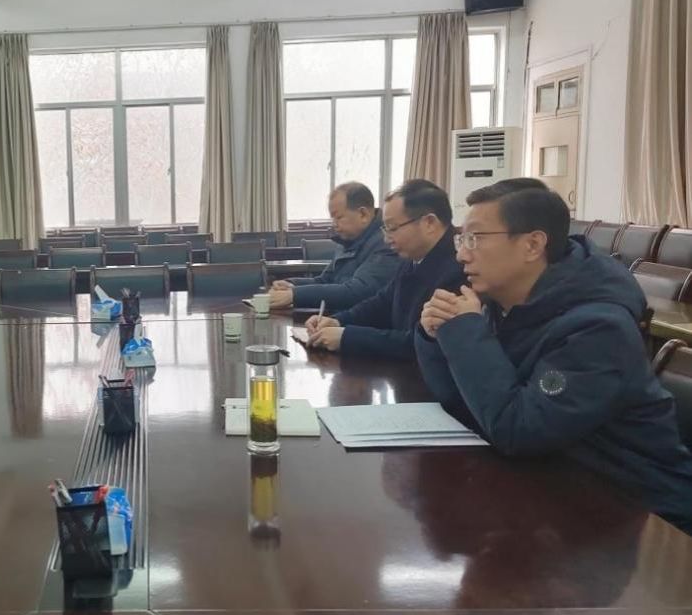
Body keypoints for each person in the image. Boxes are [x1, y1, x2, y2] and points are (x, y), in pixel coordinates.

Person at [416, 180, 692, 531]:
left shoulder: (598, 330)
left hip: (643, 518)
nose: (461, 255)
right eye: (462, 239)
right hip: (557, 491)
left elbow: (520, 430)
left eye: (476, 239)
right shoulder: (502, 302)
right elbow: (463, 403)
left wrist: (466, 332)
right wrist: (435, 335)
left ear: (532, 245)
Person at [303, 179, 464, 359]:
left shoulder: (458, 270)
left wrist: (346, 337)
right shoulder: (412, 258)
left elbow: (418, 344)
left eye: (392, 228)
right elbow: (382, 303)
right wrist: (338, 320)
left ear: (429, 223)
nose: (386, 239)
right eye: (385, 229)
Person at [269, 182, 402, 311]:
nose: (334, 224)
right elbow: (326, 280)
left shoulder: (387, 243)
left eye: (338, 217)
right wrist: (292, 285)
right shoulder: (348, 240)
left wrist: (295, 295)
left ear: (363, 214)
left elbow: (358, 291)